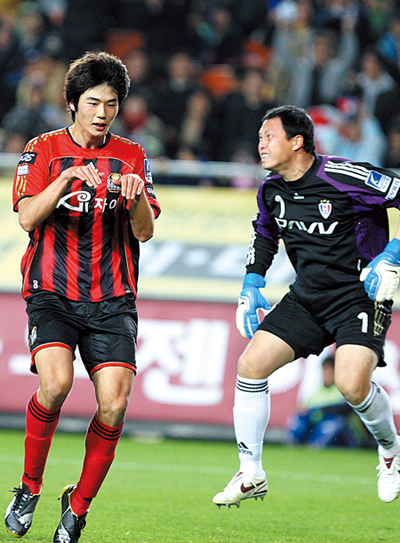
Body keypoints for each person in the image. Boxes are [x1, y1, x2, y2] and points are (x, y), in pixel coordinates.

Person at [5, 51, 160, 542]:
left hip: (113, 297)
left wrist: (135, 196)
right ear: (72, 102)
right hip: (51, 290)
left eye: (111, 104)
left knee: (114, 406)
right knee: (54, 385)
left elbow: (146, 232)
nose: (101, 113)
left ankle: (78, 507)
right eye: (93, 102)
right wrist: (67, 178)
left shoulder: (132, 155)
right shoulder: (43, 149)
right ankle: (29, 487)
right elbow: (28, 217)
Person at [213, 104, 400, 509]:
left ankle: (390, 452)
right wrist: (253, 278)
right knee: (250, 366)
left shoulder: (344, 175)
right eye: (260, 137)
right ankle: (251, 473)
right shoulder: (271, 189)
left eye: (269, 137)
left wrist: (393, 252)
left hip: (359, 295)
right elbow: (264, 231)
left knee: (351, 385)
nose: (260, 145)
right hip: (308, 296)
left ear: (297, 141)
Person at [286, 354, 361, 448]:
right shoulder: (315, 393)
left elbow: (345, 409)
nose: (326, 374)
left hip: (343, 433)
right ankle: (293, 445)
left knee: (331, 422)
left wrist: (318, 409)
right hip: (316, 426)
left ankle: (315, 447)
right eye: (324, 370)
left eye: (330, 371)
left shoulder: (345, 390)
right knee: (298, 419)